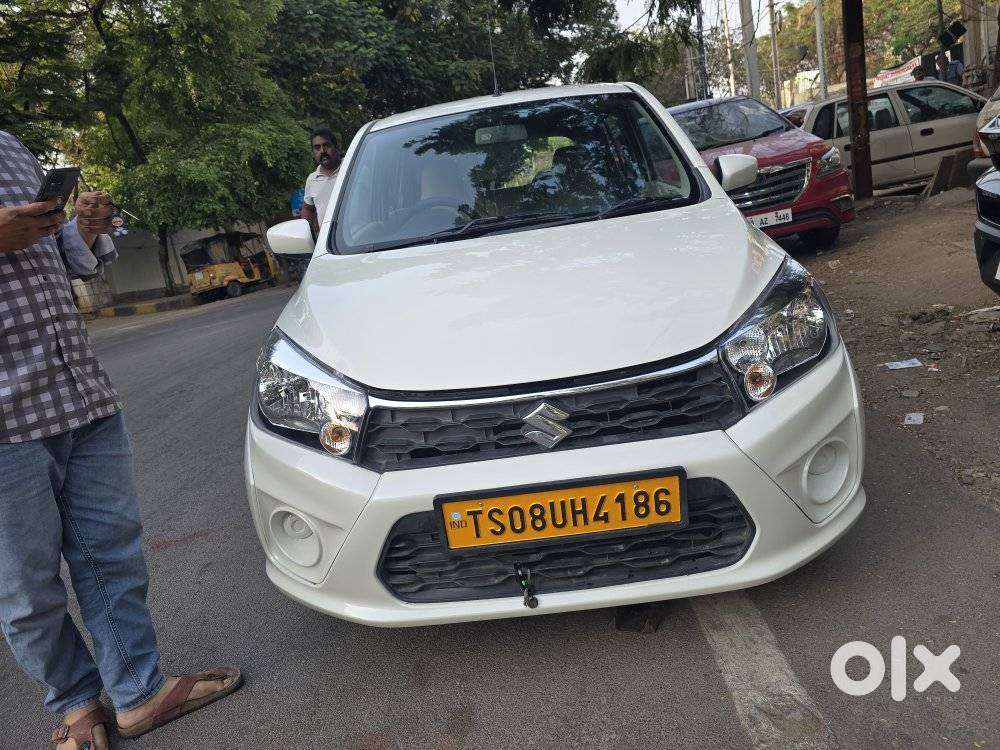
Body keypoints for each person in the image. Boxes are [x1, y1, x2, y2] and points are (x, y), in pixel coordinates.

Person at [0, 130, 242, 750]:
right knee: (26, 588)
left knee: (112, 556)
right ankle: (77, 705)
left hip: (78, 391)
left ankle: (137, 692)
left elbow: (55, 260)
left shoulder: (9, 146)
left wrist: (72, 228)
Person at [301, 127, 342, 237]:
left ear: (337, 147)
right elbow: (307, 208)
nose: (322, 151)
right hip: (329, 245)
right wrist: (307, 236)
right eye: (317, 148)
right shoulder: (312, 179)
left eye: (326, 145)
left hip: (361, 238)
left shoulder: (353, 168)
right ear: (313, 153)